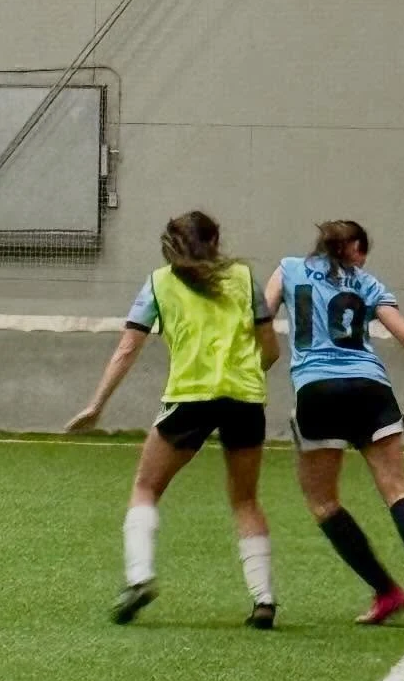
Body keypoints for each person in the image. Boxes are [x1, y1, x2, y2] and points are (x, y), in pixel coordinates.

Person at [66, 210, 281, 627]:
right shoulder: (243, 278)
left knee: (146, 486)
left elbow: (127, 349)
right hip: (245, 398)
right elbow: (270, 348)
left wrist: (97, 405)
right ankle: (264, 599)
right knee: (245, 499)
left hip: (190, 397)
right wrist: (249, 373)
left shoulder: (159, 283)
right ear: (215, 239)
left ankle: (139, 578)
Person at [266, 220, 404, 630]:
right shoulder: (368, 283)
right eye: (364, 251)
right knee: (398, 488)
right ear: (354, 248)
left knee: (323, 502)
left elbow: (258, 316)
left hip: (316, 390)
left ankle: (386, 591)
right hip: (370, 388)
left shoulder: (288, 268)